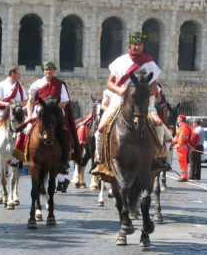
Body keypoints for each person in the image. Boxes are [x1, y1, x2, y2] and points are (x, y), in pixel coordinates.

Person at [90, 32, 169, 175]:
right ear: (130, 45)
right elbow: (109, 83)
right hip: (119, 102)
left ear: (143, 46)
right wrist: (120, 90)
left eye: (139, 44)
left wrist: (143, 92)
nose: (136, 47)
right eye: (134, 44)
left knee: (158, 124)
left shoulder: (150, 63)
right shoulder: (120, 61)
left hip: (144, 104)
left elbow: (153, 88)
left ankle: (157, 158)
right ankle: (99, 160)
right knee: (101, 128)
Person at [26, 61, 81, 177]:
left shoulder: (59, 84)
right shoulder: (37, 84)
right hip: (39, 114)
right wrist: (29, 116)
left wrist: (51, 106)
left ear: (54, 71)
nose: (48, 71)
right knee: (25, 132)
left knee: (64, 133)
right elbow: (30, 101)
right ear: (43, 71)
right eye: (46, 69)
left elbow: (65, 102)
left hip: (55, 115)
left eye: (51, 69)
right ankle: (23, 155)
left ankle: (64, 159)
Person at [0, 66, 28, 171]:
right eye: (18, 74)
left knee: (27, 131)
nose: (20, 76)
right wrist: (6, 104)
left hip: (16, 116)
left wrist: (16, 105)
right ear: (12, 74)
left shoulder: (20, 87)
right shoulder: (1, 85)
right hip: (2, 114)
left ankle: (20, 155)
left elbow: (25, 101)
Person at [173, 115, 190, 182]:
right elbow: (177, 137)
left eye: (178, 119)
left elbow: (182, 138)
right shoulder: (181, 127)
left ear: (181, 120)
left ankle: (184, 177)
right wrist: (172, 140)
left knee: (183, 162)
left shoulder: (183, 127)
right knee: (181, 162)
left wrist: (178, 145)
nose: (177, 121)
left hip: (181, 148)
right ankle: (183, 175)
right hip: (180, 148)